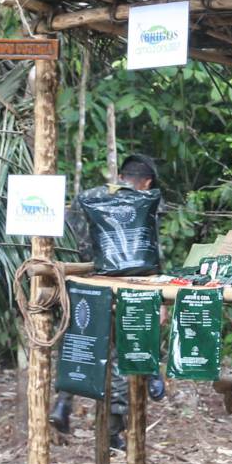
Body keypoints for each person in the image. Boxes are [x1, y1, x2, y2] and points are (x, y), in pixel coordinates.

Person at [50, 153, 164, 448]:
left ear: (121, 176)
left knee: (77, 343)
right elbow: (149, 250)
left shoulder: (87, 197)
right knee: (121, 355)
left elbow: (70, 238)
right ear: (147, 182)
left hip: (83, 283)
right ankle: (113, 430)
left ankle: (63, 403)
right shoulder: (143, 202)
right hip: (126, 287)